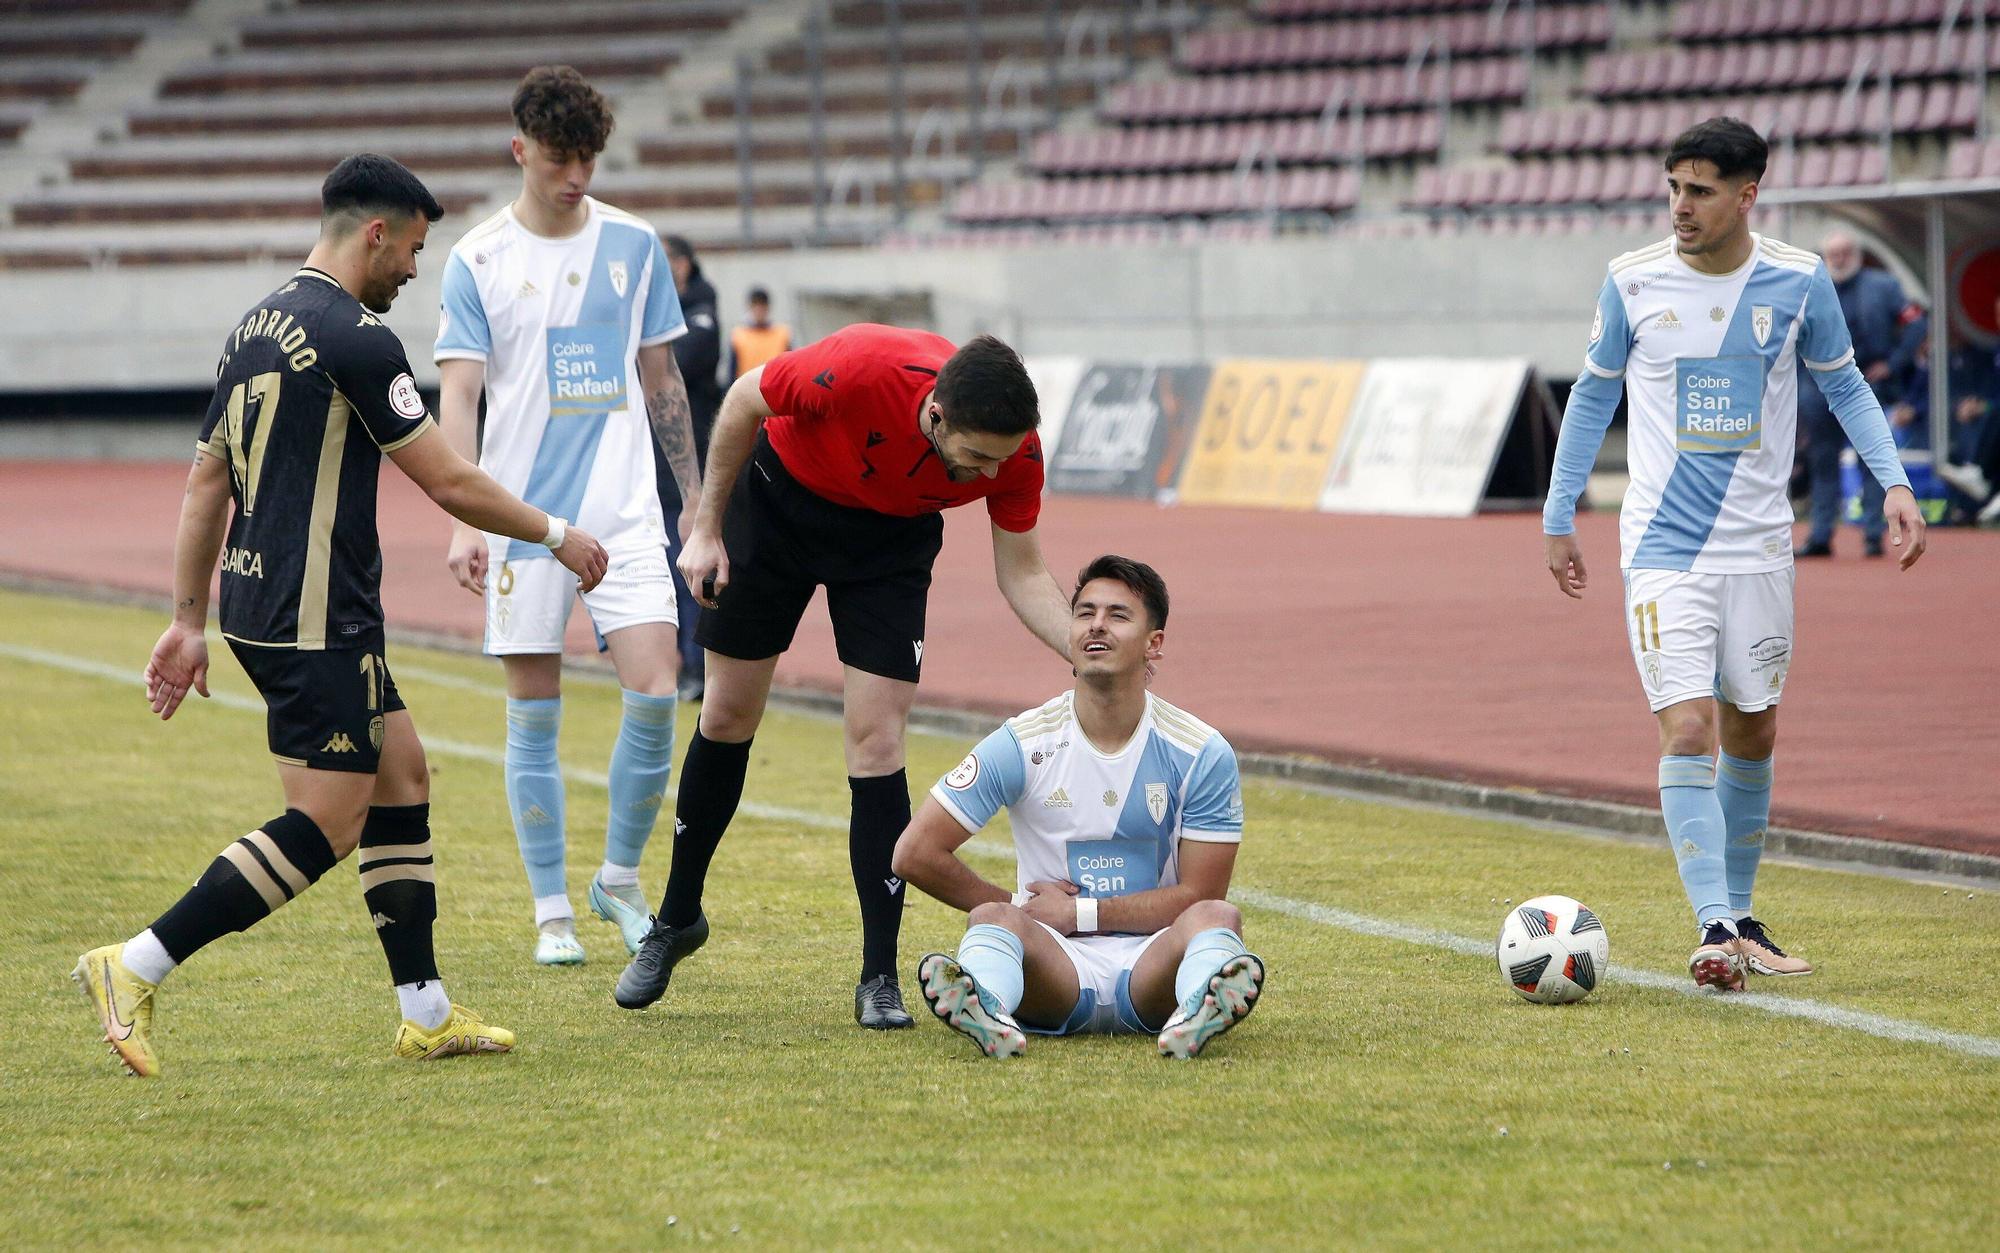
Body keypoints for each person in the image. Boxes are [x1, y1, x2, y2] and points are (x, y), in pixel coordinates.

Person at [73, 154, 610, 1076]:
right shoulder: (357, 337)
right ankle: (134, 963)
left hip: (263, 602)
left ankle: (427, 1011)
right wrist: (557, 533)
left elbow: (207, 478)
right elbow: (447, 478)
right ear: (376, 232)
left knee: (402, 776)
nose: (413, 268)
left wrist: (188, 617)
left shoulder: (256, 323)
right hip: (316, 612)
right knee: (326, 821)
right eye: (411, 248)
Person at [1542, 118, 1927, 993]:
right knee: (1690, 728)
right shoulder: (1632, 283)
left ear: (1747, 193)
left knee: (1754, 729)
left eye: (1702, 189)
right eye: (1674, 186)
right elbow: (1592, 399)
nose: (1682, 205)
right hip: (1663, 548)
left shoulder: (1797, 280)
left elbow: (1846, 383)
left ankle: (1740, 917)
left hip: (1759, 550)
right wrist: (1559, 512)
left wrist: (1894, 482)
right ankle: (1712, 925)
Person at [611, 324, 1076, 1029]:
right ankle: (676, 918)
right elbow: (741, 401)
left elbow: (1024, 570)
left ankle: (878, 975)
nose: (990, 476)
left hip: (890, 543)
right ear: (936, 415)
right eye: (978, 458)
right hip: (777, 507)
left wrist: (1084, 648)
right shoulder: (860, 368)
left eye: (1001, 461)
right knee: (727, 716)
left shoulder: (1014, 452)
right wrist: (706, 528)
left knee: (878, 742)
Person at [434, 67, 703, 967]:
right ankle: (551, 909)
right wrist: (465, 516)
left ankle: (616, 879)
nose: (575, 176)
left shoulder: (634, 248)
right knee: (533, 712)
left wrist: (697, 503)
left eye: (587, 158)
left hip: (625, 516)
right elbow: (460, 398)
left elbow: (663, 383)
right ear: (521, 150)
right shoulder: (478, 259)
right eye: (558, 159)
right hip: (520, 520)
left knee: (657, 688)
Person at [892, 555, 1262, 1060]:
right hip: (1054, 966)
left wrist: (1079, 912)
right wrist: (1023, 908)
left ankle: (1194, 1011)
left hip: (1152, 964)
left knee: (1219, 915)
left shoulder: (1201, 751)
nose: (1097, 626)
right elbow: (914, 853)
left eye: (1118, 615)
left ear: (1155, 643)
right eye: (1084, 613)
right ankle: (987, 1007)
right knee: (993, 916)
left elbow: (1201, 893)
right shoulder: (1022, 742)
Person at [1796, 229, 1921, 557]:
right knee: (1822, 461)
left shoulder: (1883, 286)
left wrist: (1893, 364)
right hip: (1817, 390)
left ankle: (1873, 534)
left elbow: (1917, 322)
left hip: (1868, 385)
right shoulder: (1808, 287)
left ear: (1857, 254)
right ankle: (1821, 535)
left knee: (1873, 459)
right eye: (1832, 253)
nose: (1838, 259)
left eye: (1844, 252)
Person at [659, 234, 722, 702]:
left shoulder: (702, 309)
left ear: (681, 265)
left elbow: (679, 362)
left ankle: (700, 667)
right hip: (654, 466)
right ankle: (681, 665)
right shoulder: (656, 312)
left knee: (693, 569)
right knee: (663, 570)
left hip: (689, 468)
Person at [728, 287, 790, 379]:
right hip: (747, 388)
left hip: (775, 388)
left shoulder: (782, 334)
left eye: (762, 305)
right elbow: (732, 371)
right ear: (750, 307)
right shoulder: (738, 335)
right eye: (755, 304)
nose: (759, 309)